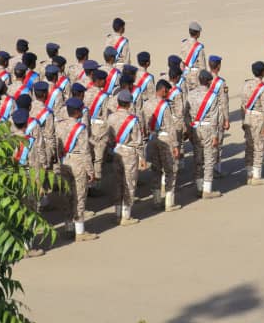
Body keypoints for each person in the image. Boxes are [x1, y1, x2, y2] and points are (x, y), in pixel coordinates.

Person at [55, 97, 97, 242]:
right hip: (78, 162)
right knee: (79, 196)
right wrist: (91, 171)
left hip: (64, 161)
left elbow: (56, 147)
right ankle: (80, 232)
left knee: (66, 195)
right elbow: (85, 151)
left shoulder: (59, 125)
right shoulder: (81, 129)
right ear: (78, 112)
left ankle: (68, 227)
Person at [106, 89, 145, 226]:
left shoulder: (111, 117)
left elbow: (109, 138)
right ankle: (126, 215)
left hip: (116, 151)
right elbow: (138, 141)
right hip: (129, 153)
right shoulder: (132, 120)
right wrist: (142, 158)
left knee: (118, 183)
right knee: (129, 183)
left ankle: (117, 213)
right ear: (129, 104)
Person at [141, 79, 181, 212]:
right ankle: (169, 202)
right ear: (163, 90)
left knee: (156, 170)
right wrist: (175, 145)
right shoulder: (164, 106)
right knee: (170, 170)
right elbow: (170, 126)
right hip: (165, 139)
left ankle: (156, 200)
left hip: (152, 139)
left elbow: (143, 124)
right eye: (167, 91)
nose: (168, 93)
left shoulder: (146, 104)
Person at [187, 70, 222, 199]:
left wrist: (189, 130)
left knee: (197, 159)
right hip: (207, 129)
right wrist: (215, 135)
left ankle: (199, 187)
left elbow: (186, 114)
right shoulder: (212, 96)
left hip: (195, 128)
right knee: (208, 159)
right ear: (208, 82)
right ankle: (207, 190)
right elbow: (214, 117)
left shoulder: (190, 95)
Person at [242, 61, 264, 186]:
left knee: (249, 145)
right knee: (259, 146)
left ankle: (249, 173)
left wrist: (243, 120)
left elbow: (242, 104)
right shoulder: (263, 88)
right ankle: (257, 176)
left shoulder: (246, 85)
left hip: (248, 117)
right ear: (263, 72)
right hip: (259, 118)